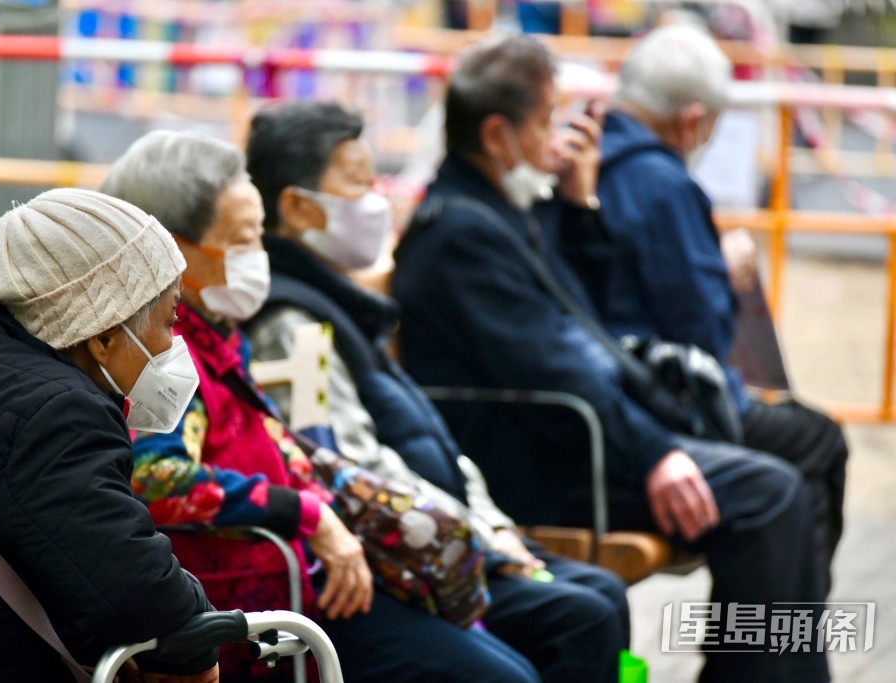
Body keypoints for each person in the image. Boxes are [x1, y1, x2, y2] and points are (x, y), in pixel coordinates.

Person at [389, 34, 829, 683]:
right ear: (498, 134)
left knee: (786, 475)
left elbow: (581, 322)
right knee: (769, 495)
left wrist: (578, 204)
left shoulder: (500, 210)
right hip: (544, 456)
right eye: (546, 121)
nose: (558, 139)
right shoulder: (464, 233)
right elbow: (556, 364)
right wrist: (654, 453)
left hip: (573, 434)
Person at [245, 99, 631, 683]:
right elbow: (355, 470)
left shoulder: (343, 305)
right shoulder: (290, 324)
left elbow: (436, 444)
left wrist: (496, 529)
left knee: (601, 592)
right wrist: (482, 542)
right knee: (582, 617)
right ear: (297, 207)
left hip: (452, 534)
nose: (377, 198)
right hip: (412, 556)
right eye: (357, 182)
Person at [0, 189, 219, 682]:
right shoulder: (59, 416)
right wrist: (200, 649)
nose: (174, 341)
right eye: (169, 319)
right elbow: (144, 598)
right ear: (102, 337)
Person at [100, 131, 372, 680]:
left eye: (258, 238)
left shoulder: (220, 337)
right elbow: (154, 476)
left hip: (293, 597)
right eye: (242, 240)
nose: (257, 257)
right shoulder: (164, 356)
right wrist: (303, 511)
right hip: (236, 625)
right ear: (173, 250)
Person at [595, 24, 846, 594]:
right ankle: (773, 657)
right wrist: (725, 272)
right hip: (657, 405)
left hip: (622, 394)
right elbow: (703, 328)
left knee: (797, 452)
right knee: (811, 447)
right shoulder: (661, 182)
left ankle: (765, 652)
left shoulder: (591, 161)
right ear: (691, 119)